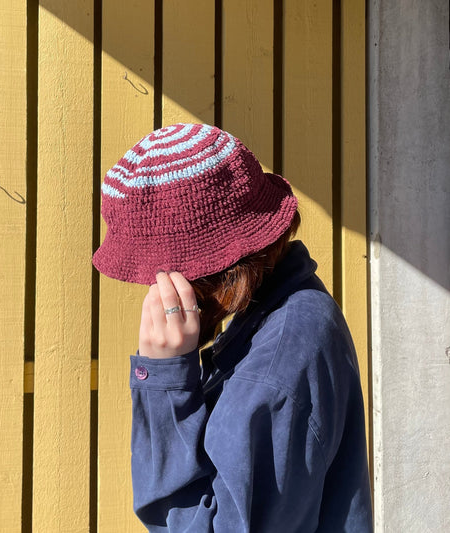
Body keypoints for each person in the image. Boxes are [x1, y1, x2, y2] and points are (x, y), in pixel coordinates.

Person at [93, 123, 373, 532]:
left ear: (196, 275)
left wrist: (164, 386)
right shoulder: (277, 316)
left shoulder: (276, 368)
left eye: (156, 275)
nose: (152, 292)